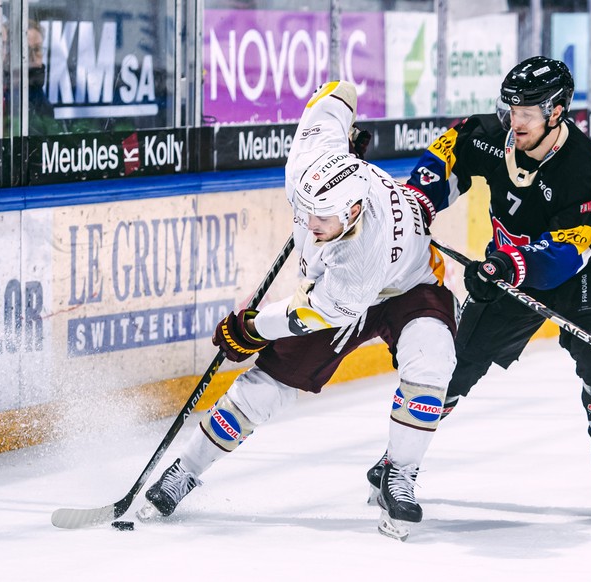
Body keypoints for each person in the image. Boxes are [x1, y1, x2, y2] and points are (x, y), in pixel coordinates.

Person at [138, 80, 458, 541]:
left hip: (407, 285)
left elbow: (312, 312)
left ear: (353, 210)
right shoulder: (309, 162)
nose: (309, 226)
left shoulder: (362, 253)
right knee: (265, 388)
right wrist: (345, 127)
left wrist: (252, 328)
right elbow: (337, 92)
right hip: (340, 287)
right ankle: (185, 469)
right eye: (305, 212)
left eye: (321, 219)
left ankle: (400, 474)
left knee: (432, 361)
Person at [366, 56, 591, 518]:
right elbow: (444, 160)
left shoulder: (584, 167)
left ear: (557, 111)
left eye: (528, 112)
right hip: (507, 270)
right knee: (455, 363)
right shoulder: (490, 135)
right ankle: (399, 462)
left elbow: (566, 255)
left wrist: (507, 264)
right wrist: (414, 209)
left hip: (582, 271)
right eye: (512, 109)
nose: (517, 120)